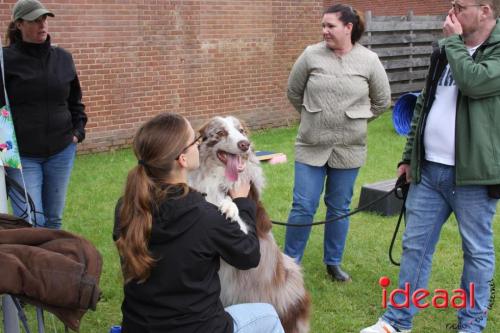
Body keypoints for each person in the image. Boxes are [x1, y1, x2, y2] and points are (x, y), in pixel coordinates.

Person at [361, 1, 500, 332]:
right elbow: (425, 102)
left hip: (474, 177)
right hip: (430, 172)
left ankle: (471, 324)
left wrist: (452, 43)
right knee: (415, 246)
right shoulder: (445, 51)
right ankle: (396, 321)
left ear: (484, 10)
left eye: (459, 6)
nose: (450, 12)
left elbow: (475, 83)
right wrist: (409, 156)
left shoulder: (492, 50)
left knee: (477, 253)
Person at [113, 113, 284, 333]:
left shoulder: (125, 207)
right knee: (268, 315)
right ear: (183, 159)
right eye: (195, 140)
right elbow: (249, 254)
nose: (199, 144)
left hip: (138, 327)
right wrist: (243, 203)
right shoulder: (205, 216)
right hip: (199, 328)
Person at [284, 4, 391, 282]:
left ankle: (333, 262)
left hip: (349, 148)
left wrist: (356, 119)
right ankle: (289, 263)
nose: (324, 31)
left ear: (348, 27)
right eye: (323, 25)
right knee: (303, 205)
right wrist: (313, 116)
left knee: (339, 207)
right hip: (311, 144)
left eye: (330, 26)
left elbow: (382, 101)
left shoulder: (369, 60)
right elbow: (294, 91)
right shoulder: (311, 54)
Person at [2, 0, 87, 229]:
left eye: (44, 19)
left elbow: (74, 102)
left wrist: (78, 133)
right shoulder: (4, 61)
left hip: (61, 151)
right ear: (19, 24)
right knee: (29, 220)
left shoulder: (63, 58)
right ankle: (29, 264)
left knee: (53, 219)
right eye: (34, 20)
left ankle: (52, 264)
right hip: (22, 157)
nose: (42, 25)